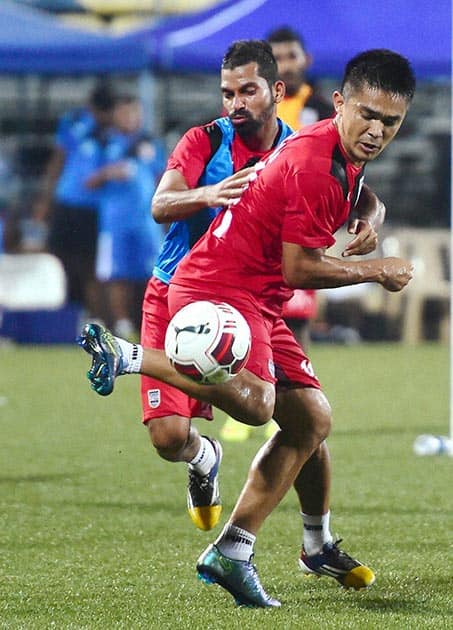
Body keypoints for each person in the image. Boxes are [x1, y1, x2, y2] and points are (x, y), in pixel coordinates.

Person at [78, 48, 415, 607]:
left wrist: (370, 219)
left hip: (259, 297)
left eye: (391, 122)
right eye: (368, 115)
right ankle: (128, 355)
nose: (377, 131)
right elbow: (300, 267)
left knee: (310, 419)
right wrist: (376, 270)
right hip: (217, 286)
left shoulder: (336, 149)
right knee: (257, 406)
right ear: (339, 104)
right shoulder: (307, 160)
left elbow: (358, 195)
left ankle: (261, 548)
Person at [221, 26, 334, 442]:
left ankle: (286, 401)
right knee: (250, 312)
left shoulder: (322, 110)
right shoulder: (249, 110)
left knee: (295, 315)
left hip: (299, 224)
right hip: (252, 225)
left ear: (306, 60)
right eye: (278, 56)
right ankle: (251, 400)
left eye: (292, 55)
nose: (286, 62)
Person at [33, 81, 116, 319]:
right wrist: (45, 202)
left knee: (90, 266)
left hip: (93, 209)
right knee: (56, 260)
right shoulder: (73, 122)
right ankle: (56, 317)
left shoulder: (113, 133)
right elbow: (57, 162)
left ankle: (92, 318)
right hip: (67, 202)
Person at [86, 94, 166, 339]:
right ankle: (121, 324)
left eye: (134, 113)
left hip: (146, 222)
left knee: (154, 272)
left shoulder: (150, 145)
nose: (130, 118)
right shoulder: (103, 143)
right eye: (124, 113)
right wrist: (109, 173)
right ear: (115, 116)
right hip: (114, 222)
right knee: (116, 275)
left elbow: (163, 176)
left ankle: (152, 321)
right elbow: (87, 181)